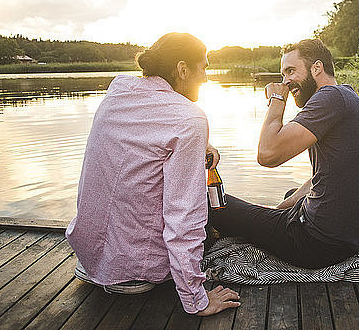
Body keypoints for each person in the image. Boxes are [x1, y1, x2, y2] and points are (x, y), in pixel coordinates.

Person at [66, 32, 240, 316]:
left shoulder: (119, 91)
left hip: (90, 257)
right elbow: (184, 215)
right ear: (182, 69)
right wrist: (197, 299)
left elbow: (149, 133)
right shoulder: (189, 117)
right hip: (137, 268)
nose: (206, 77)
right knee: (206, 215)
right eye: (204, 67)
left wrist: (202, 145)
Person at [210, 38, 359, 269]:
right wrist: (280, 210)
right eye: (283, 75)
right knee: (292, 194)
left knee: (212, 203)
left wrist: (277, 100)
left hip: (315, 244)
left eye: (291, 71)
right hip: (349, 241)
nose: (286, 82)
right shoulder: (350, 98)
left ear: (317, 68)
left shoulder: (329, 97)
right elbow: (325, 176)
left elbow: (268, 154)